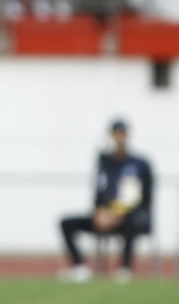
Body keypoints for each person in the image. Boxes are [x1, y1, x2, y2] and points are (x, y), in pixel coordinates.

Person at [58, 119, 154, 283]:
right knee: (65, 223)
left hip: (128, 217)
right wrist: (100, 212)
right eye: (116, 134)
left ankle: (125, 269)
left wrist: (118, 214)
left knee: (132, 221)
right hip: (106, 216)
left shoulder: (138, 165)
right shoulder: (105, 163)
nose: (119, 138)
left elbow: (139, 198)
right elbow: (100, 192)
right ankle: (80, 267)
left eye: (122, 133)